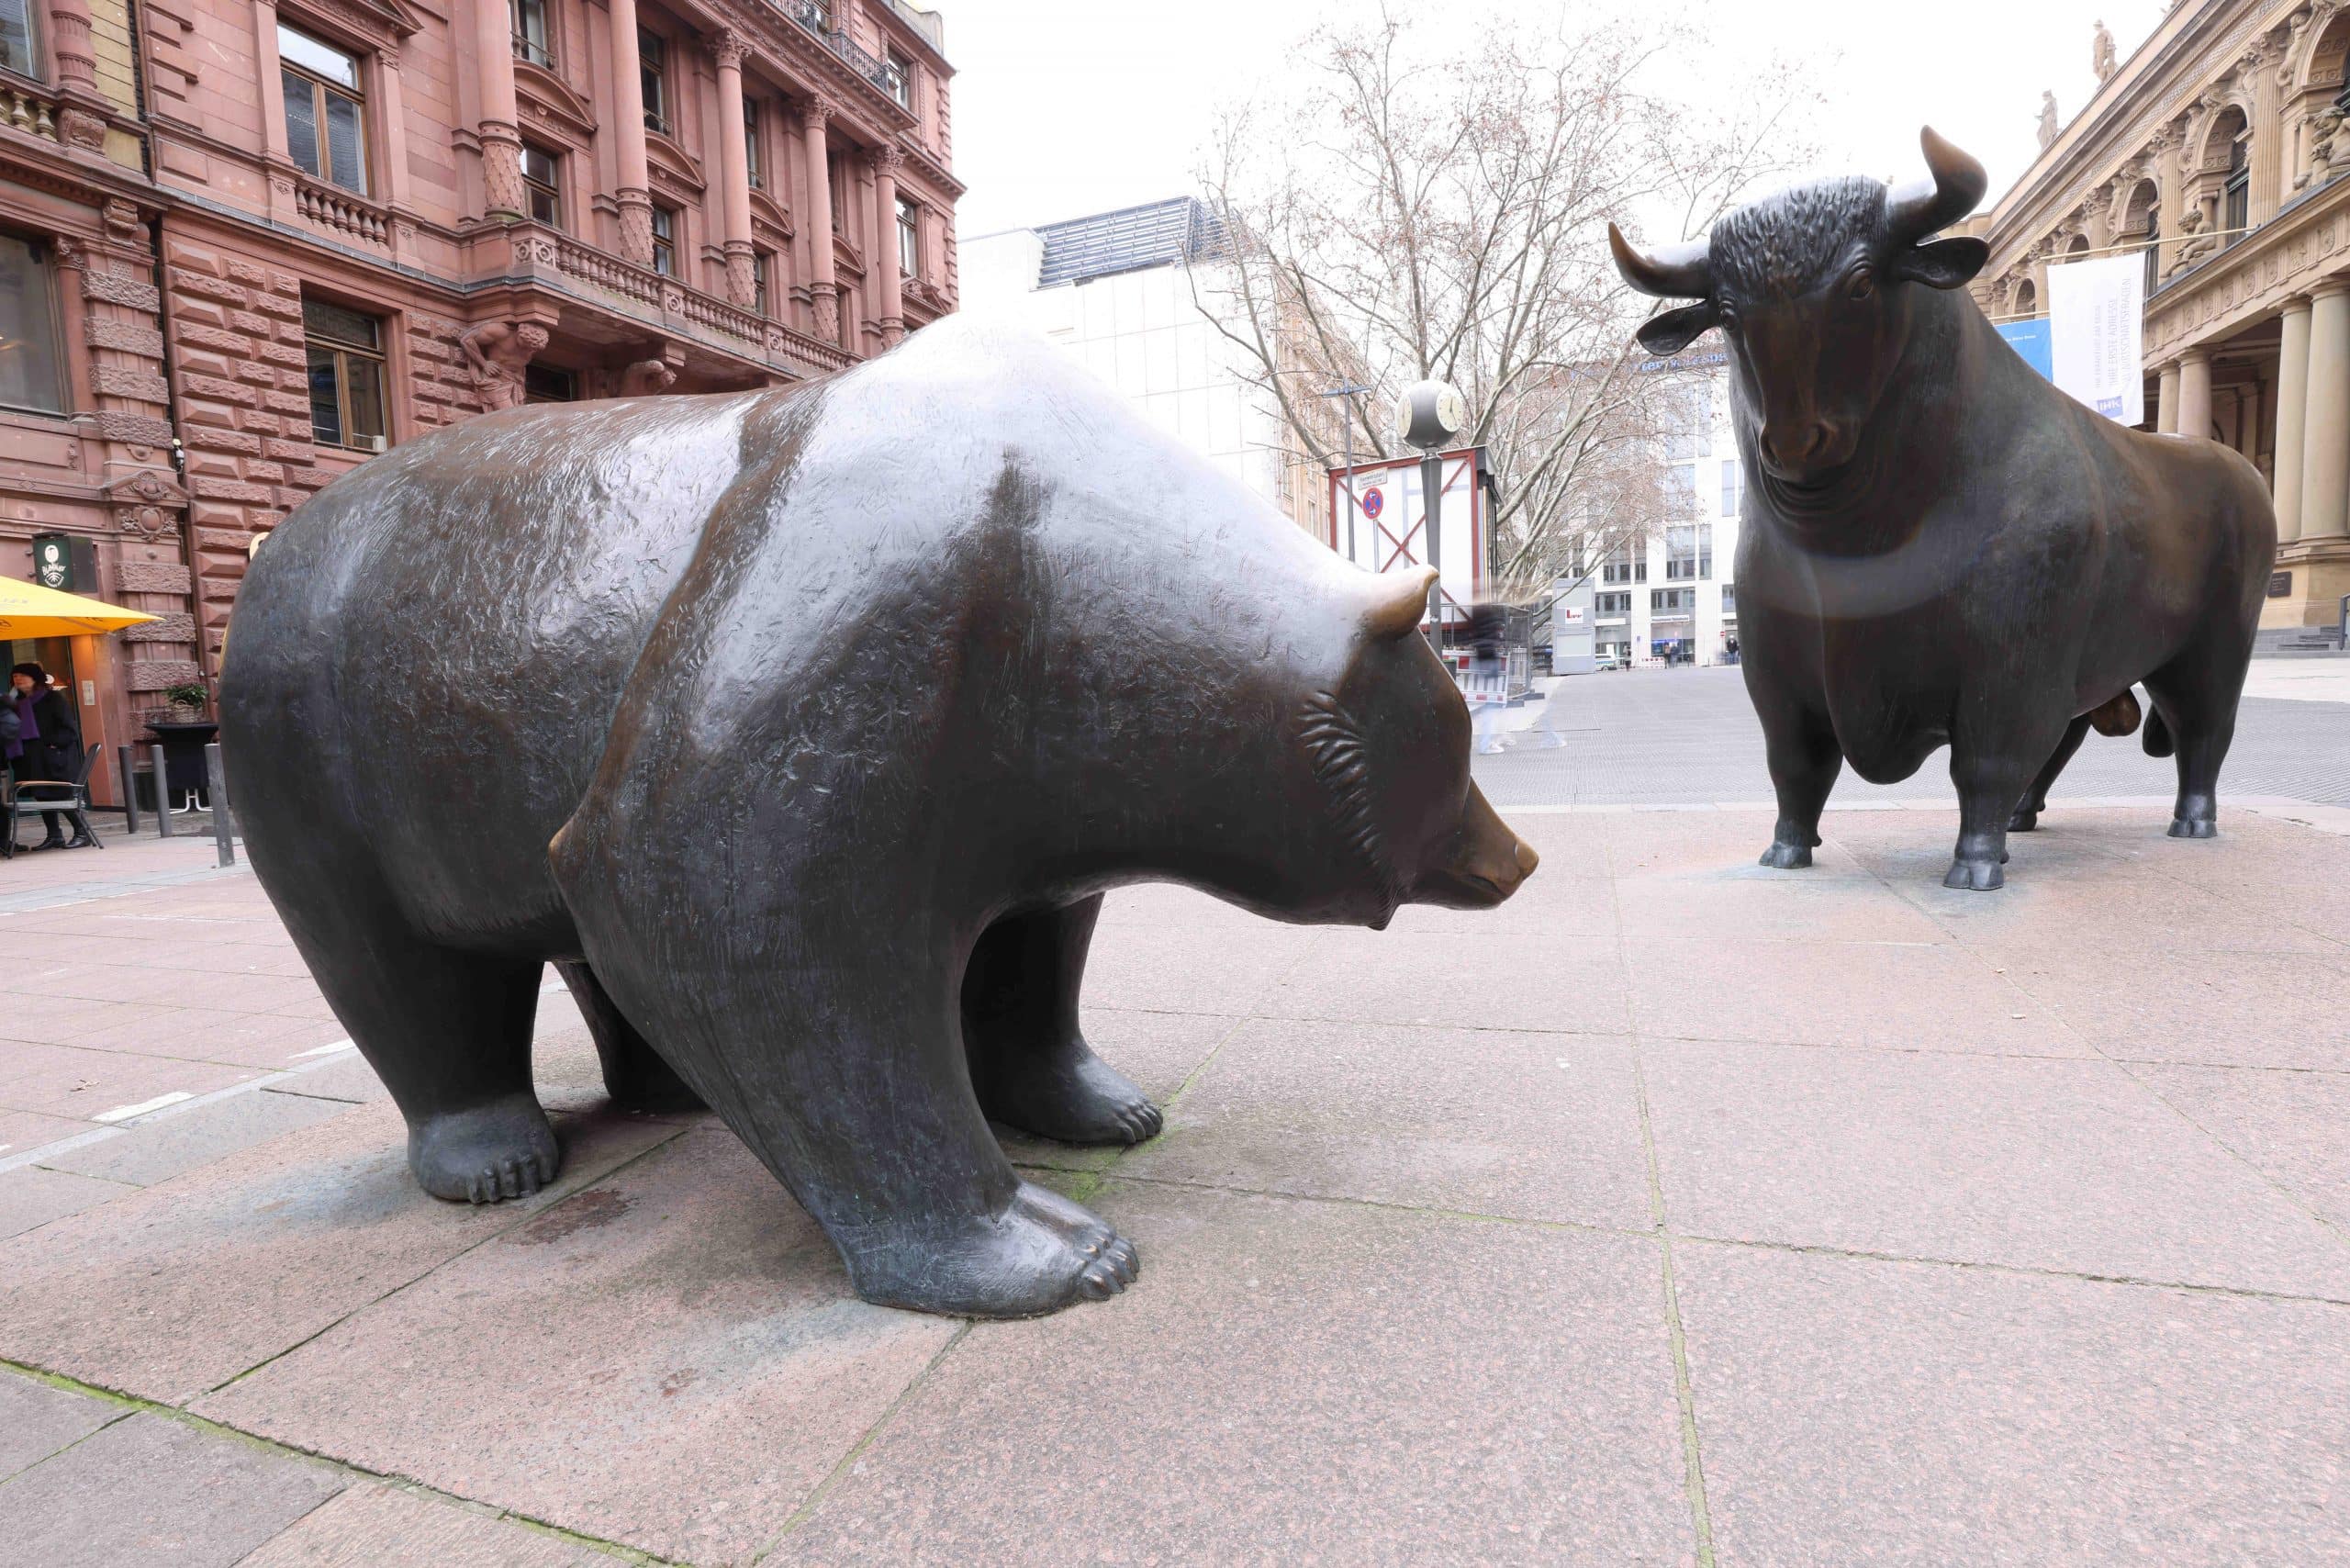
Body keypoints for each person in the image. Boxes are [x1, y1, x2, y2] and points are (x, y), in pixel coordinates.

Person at [8, 662, 88, 850]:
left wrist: (52, 745)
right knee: (41, 795)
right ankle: (54, 836)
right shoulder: (18, 702)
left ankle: (82, 832)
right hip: (33, 758)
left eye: (22, 675)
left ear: (35, 678)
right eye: (14, 676)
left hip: (55, 758)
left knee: (59, 795)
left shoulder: (52, 698)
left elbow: (69, 729)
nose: (17, 679)